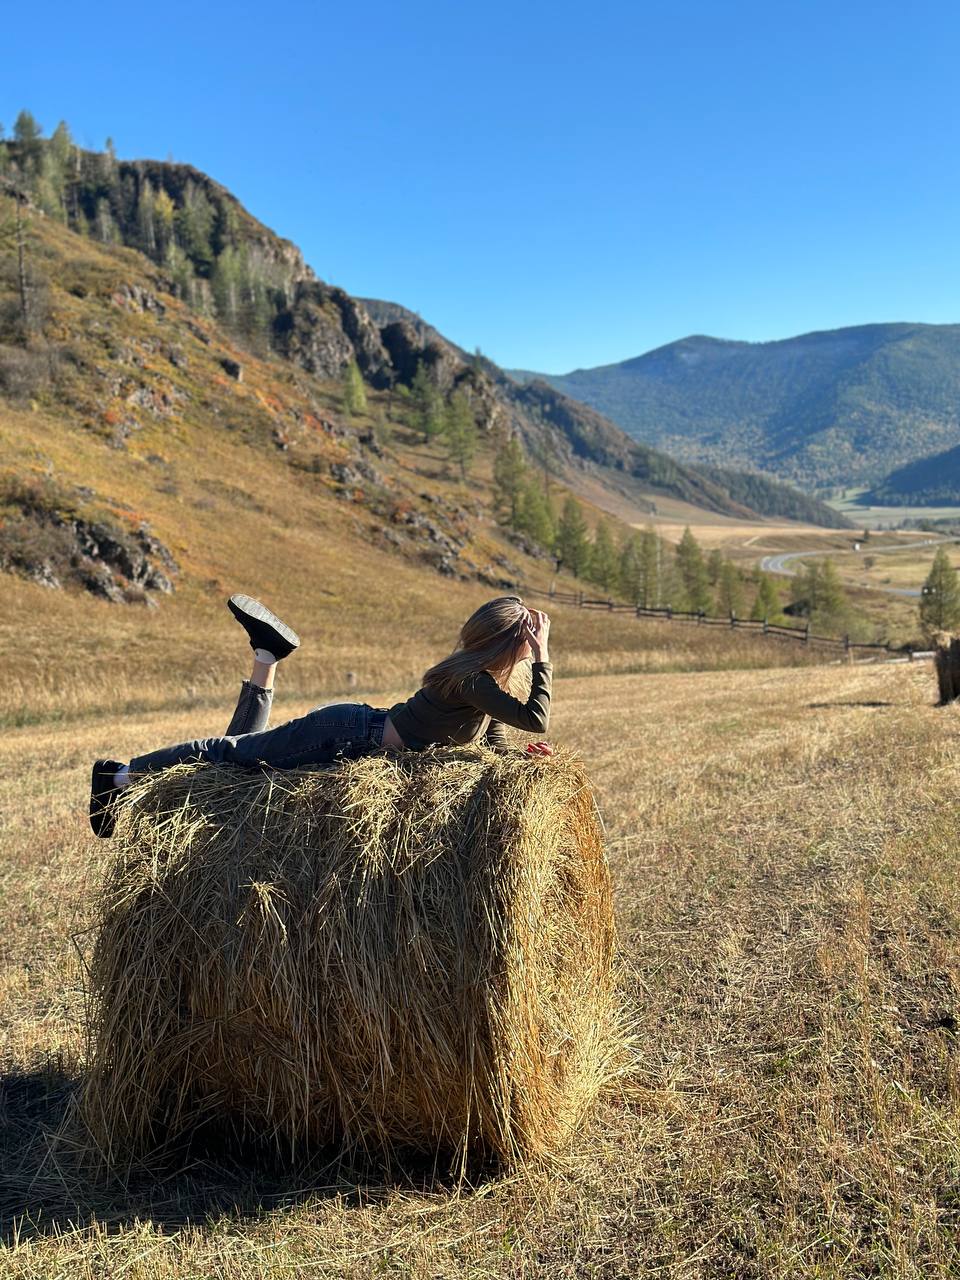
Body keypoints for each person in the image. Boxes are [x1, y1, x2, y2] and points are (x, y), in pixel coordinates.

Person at [90, 593, 553, 837]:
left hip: (357, 735)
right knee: (228, 754)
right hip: (346, 733)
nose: (532, 647)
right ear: (512, 642)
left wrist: (521, 762)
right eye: (528, 641)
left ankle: (266, 656)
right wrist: (543, 657)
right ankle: (118, 776)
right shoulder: (470, 679)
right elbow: (536, 719)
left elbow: (493, 741)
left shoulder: (482, 684)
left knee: (239, 767)